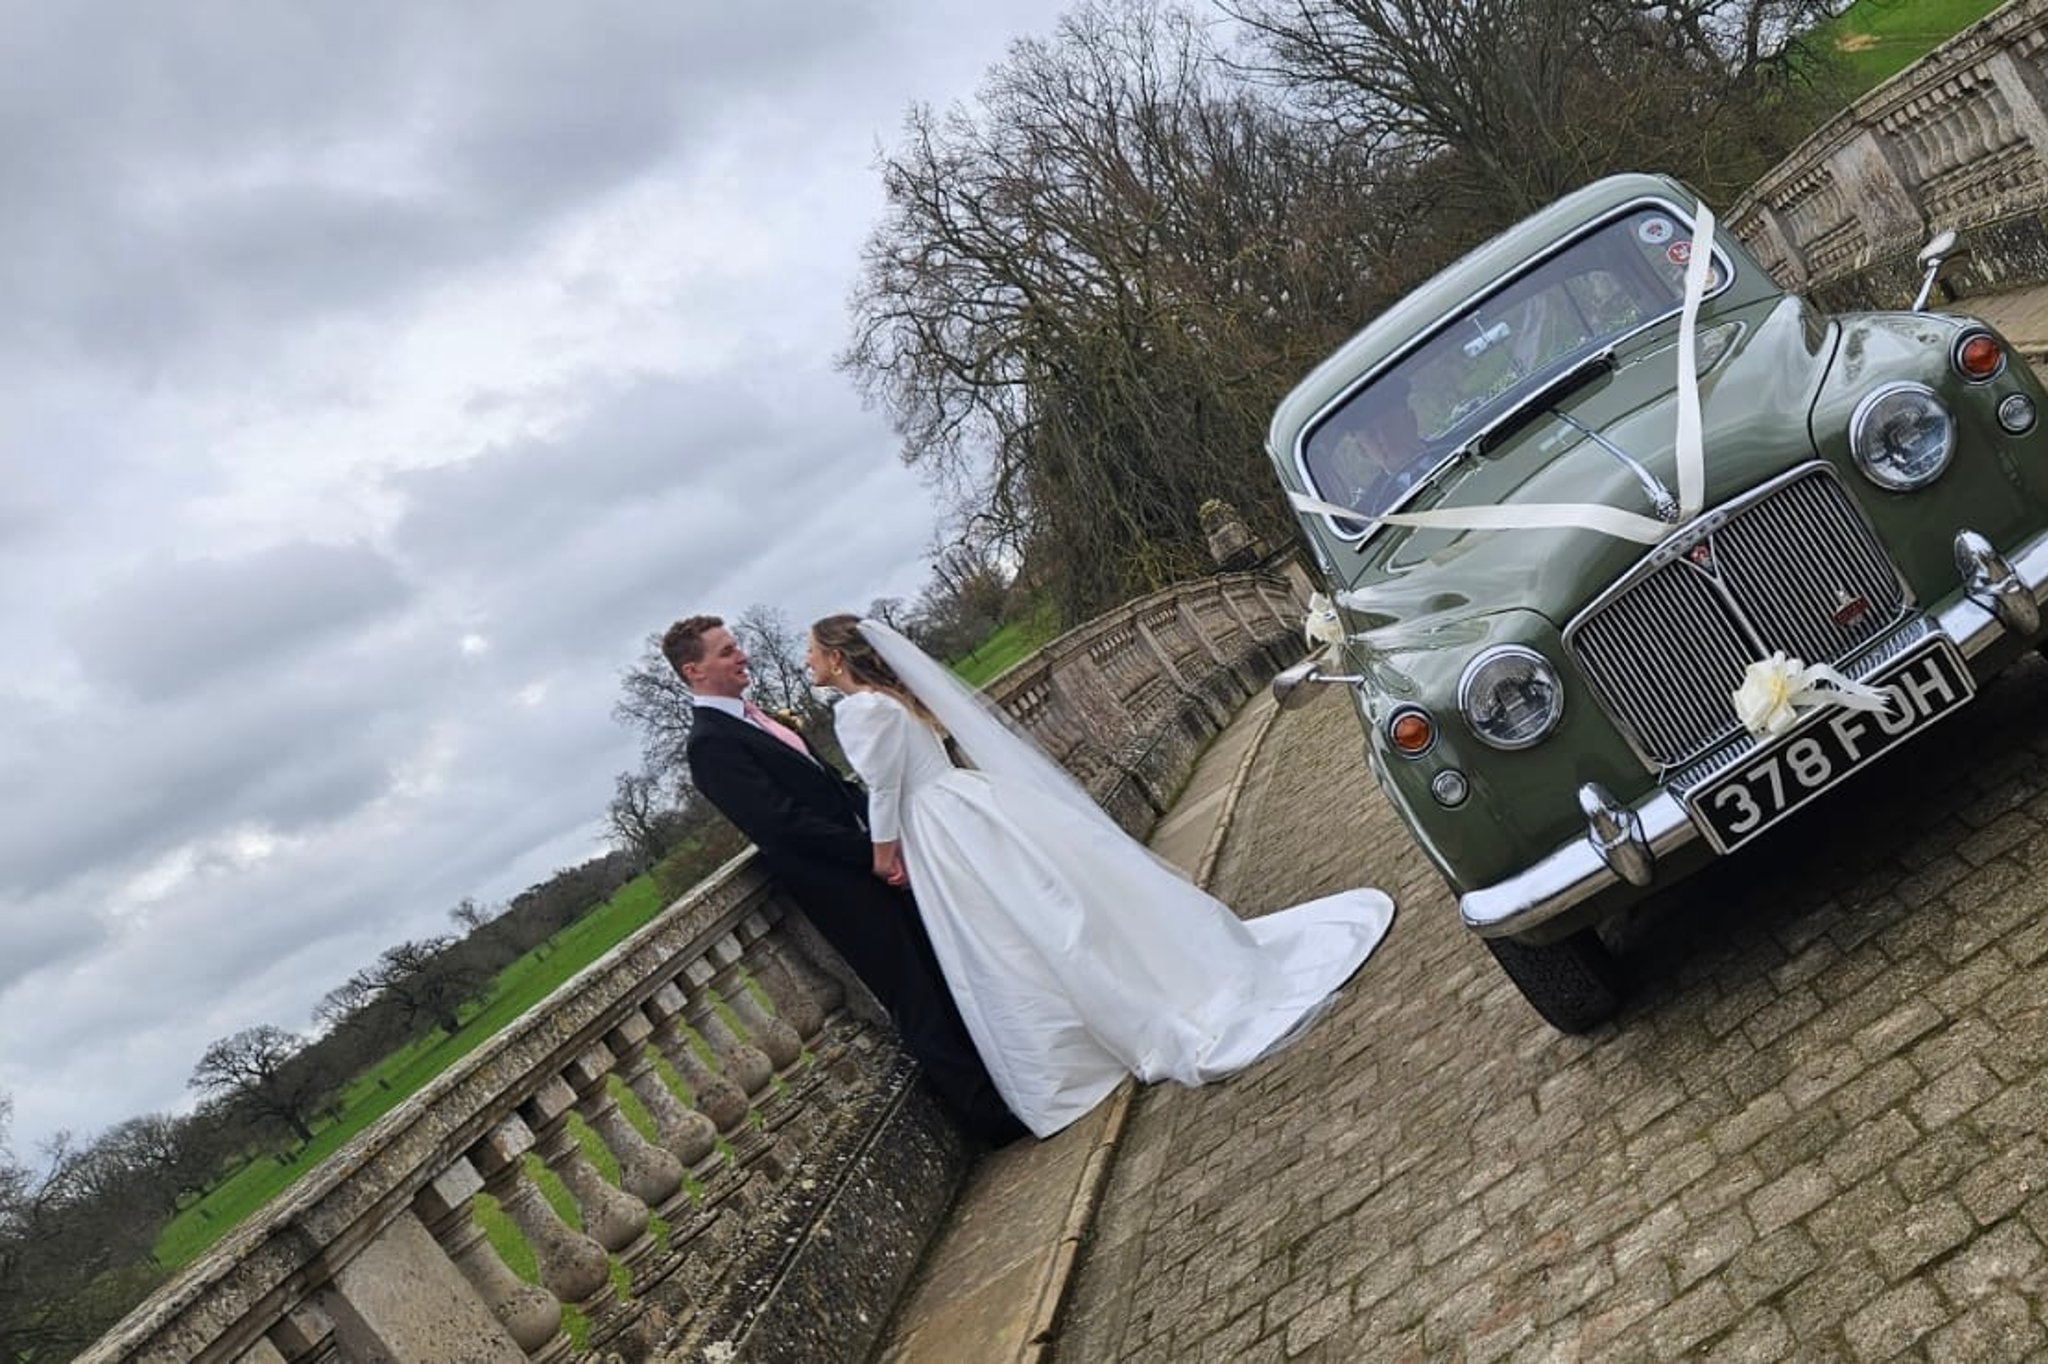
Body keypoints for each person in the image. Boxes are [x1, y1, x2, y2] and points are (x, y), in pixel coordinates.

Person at [805, 613, 1397, 1139]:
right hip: (963, 807)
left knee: (1011, 933)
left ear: (835, 658)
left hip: (939, 828)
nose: (807, 662)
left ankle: (1089, 1042)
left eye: (810, 652)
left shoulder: (859, 711)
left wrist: (883, 856)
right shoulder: (895, 700)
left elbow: (884, 790)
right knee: (1039, 914)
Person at [663, 614, 1026, 1145]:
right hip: (841, 888)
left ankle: (1008, 1085)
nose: (742, 656)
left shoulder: (757, 718)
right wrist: (870, 854)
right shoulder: (710, 743)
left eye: (736, 646)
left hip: (878, 866)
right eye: (726, 652)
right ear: (694, 671)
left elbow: (837, 788)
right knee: (916, 997)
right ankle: (989, 1120)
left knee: (946, 973)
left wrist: (893, 839)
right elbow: (781, 825)